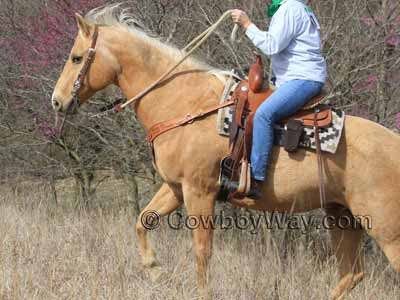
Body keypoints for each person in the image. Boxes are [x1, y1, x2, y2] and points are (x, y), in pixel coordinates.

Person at [231, 0, 327, 199]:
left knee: (263, 115)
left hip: (302, 78)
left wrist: (247, 24)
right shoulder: (296, 7)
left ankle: (256, 180)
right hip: (300, 77)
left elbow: (272, 45)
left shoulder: (290, 8)